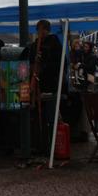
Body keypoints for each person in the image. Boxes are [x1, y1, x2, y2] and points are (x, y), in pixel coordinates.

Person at [27, 19, 63, 154]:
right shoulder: (36, 44)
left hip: (50, 86)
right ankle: (41, 145)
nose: (41, 33)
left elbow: (58, 64)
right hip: (38, 85)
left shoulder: (54, 42)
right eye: (39, 30)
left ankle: (50, 146)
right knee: (39, 117)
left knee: (50, 117)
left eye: (43, 30)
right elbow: (31, 61)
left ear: (47, 30)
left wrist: (44, 65)